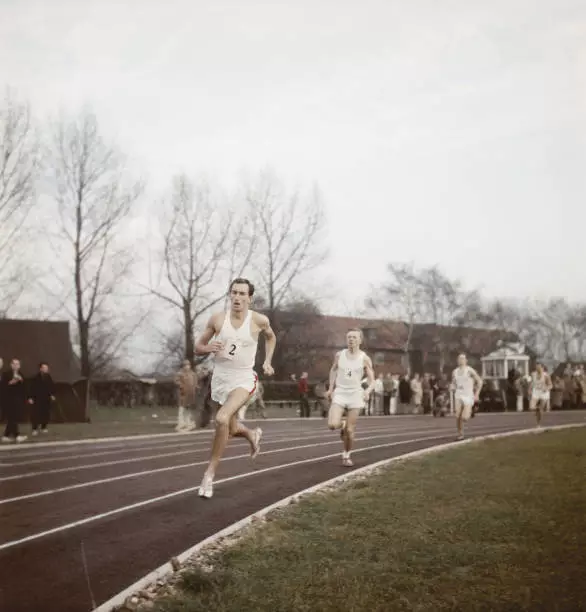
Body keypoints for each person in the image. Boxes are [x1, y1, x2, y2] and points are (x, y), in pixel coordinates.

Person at [195, 278, 276, 499]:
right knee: (229, 428)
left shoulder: (258, 320)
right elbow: (198, 347)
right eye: (234, 293)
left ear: (250, 298)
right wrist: (208, 347)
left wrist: (267, 361)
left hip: (244, 379)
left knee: (221, 419)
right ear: (229, 295)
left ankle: (209, 475)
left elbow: (271, 338)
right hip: (220, 380)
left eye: (242, 294)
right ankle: (251, 434)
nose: (237, 297)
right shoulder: (218, 320)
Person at [326, 329, 375, 467]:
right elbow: (333, 370)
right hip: (340, 392)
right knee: (332, 425)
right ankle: (341, 424)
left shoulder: (364, 358)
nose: (351, 339)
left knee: (350, 430)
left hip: (355, 394)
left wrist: (368, 391)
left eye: (354, 337)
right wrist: (330, 388)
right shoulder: (339, 355)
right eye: (349, 337)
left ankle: (346, 455)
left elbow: (373, 380)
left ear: (360, 340)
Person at [451, 354, 483, 441]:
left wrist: (477, 394)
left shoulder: (469, 370)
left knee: (464, 418)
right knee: (457, 416)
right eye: (459, 359)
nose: (461, 360)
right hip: (458, 394)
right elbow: (454, 383)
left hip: (468, 395)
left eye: (462, 359)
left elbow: (479, 381)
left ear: (466, 360)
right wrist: (452, 387)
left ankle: (472, 410)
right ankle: (460, 434)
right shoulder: (455, 372)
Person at [1, 358, 28, 443]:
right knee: (12, 417)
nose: (16, 366)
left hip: (18, 400)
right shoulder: (6, 374)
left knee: (13, 418)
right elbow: (3, 387)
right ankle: (16, 435)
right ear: (11, 365)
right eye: (14, 364)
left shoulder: (21, 374)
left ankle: (6, 435)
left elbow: (24, 388)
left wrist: (21, 380)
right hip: (8, 399)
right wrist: (11, 382)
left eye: (18, 364)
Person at [28, 362, 56, 435]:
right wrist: (30, 397)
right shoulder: (35, 378)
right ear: (40, 369)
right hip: (37, 399)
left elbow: (51, 387)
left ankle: (44, 427)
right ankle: (34, 429)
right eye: (44, 368)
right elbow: (31, 388)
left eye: (46, 368)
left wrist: (52, 395)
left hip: (46, 399)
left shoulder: (48, 377)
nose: (46, 369)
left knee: (46, 413)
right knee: (36, 414)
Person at [174, 359, 198, 432]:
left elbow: (195, 382)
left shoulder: (193, 374)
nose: (187, 366)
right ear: (183, 366)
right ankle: (181, 422)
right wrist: (181, 386)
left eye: (188, 365)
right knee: (182, 408)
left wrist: (196, 387)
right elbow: (176, 381)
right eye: (185, 365)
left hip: (191, 394)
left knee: (189, 408)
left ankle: (188, 421)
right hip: (183, 393)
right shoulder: (180, 373)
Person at [529, 362, 552, 427]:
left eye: (539, 367)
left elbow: (551, 385)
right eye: (536, 367)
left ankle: (538, 423)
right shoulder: (533, 374)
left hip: (544, 392)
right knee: (531, 407)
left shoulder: (546, 375)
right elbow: (532, 383)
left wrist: (546, 388)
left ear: (542, 368)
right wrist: (529, 389)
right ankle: (537, 410)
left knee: (541, 409)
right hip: (536, 391)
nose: (538, 369)